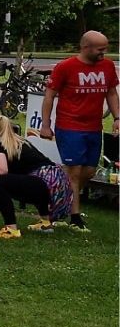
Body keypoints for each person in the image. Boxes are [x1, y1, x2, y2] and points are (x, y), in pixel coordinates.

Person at [36, 30, 118, 232]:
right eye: (100, 49)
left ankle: (60, 199)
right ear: (85, 47)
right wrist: (45, 124)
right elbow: (49, 96)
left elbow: (111, 92)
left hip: (93, 127)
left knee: (89, 171)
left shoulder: (107, 66)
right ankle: (74, 218)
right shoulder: (65, 67)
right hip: (70, 126)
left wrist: (117, 117)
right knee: (74, 171)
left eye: (105, 49)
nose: (104, 53)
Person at [0, 112, 72, 235]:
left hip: (44, 186)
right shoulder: (18, 141)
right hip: (58, 186)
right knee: (27, 180)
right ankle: (45, 223)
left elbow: (1, 171)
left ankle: (11, 229)